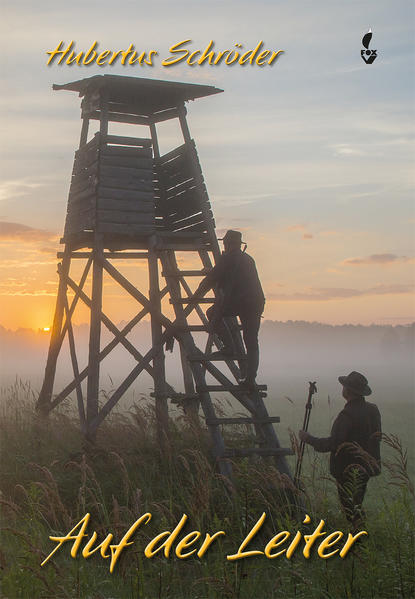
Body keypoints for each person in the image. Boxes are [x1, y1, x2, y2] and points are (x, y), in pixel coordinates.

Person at [299, 371, 381, 527]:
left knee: (350, 508)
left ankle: (359, 542)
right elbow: (377, 436)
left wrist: (308, 439)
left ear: (348, 391)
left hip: (348, 470)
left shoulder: (347, 415)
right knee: (356, 504)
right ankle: (360, 539)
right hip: (367, 466)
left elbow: (334, 444)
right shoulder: (373, 410)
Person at [191, 230, 265, 390]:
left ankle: (229, 347)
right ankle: (251, 379)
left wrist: (195, 296)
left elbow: (211, 280)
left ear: (228, 244)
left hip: (240, 303)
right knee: (252, 342)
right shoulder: (248, 259)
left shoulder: (228, 259)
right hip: (255, 303)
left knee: (212, 313)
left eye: (225, 243)